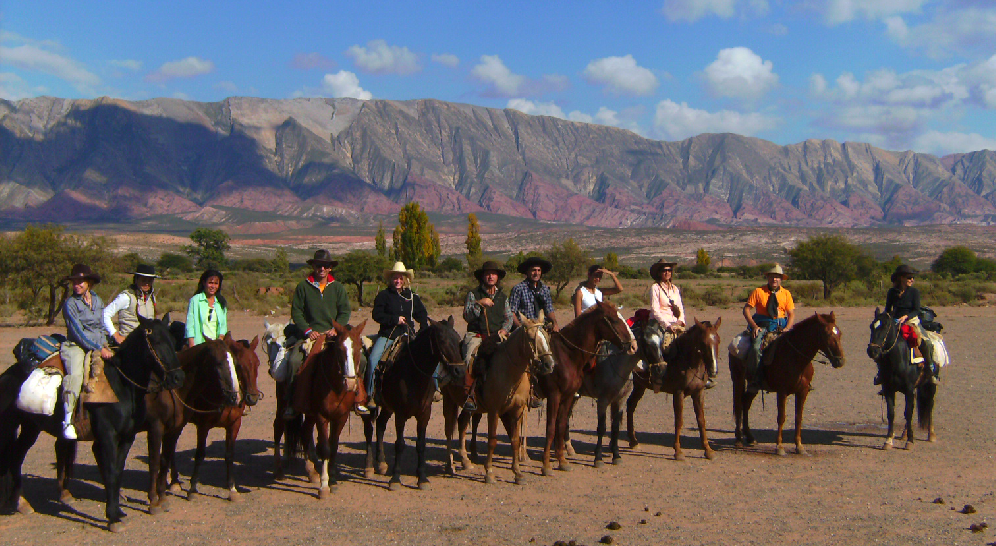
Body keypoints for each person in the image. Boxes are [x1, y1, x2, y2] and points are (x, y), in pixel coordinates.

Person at [282, 250, 363, 418]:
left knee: (360, 358)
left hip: (334, 334)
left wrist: (337, 328)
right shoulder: (303, 287)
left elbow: (344, 311)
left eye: (326, 266)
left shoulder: (338, 288)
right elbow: (297, 312)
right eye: (318, 265)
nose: (322, 269)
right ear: (313, 266)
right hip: (311, 334)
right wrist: (308, 330)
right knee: (294, 361)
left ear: (330, 268)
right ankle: (291, 402)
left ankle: (358, 398)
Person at [60, 264, 115, 440]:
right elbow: (77, 332)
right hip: (76, 345)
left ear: (89, 283)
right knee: (75, 376)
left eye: (80, 281)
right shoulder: (70, 304)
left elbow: (100, 326)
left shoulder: (98, 301)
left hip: (99, 343)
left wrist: (105, 345)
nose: (77, 284)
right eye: (74, 281)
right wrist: (97, 348)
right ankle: (67, 420)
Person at [366, 261, 429, 407]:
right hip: (388, 335)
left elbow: (422, 313)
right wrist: (394, 319)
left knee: (429, 356)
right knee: (372, 360)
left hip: (408, 335)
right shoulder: (383, 295)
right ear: (391, 279)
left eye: (401, 278)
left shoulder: (412, 297)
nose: (398, 281)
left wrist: (423, 327)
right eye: (395, 278)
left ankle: (435, 388)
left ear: (406, 279)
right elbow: (377, 315)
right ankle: (370, 394)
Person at [462, 260, 514, 411]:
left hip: (498, 335)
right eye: (487, 274)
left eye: (493, 274)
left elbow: (509, 318)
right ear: (482, 277)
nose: (490, 276)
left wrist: (504, 330)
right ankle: (469, 394)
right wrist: (480, 303)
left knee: (520, 352)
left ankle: (527, 391)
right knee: (470, 358)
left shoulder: (503, 297)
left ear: (497, 277)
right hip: (477, 335)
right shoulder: (473, 294)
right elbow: (467, 316)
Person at [647, 259, 705, 386]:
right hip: (659, 323)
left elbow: (681, 308)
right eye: (664, 270)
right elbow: (655, 310)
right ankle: (659, 373)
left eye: (669, 270)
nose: (667, 273)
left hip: (675, 323)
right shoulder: (655, 288)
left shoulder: (675, 289)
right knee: (656, 343)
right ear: (659, 273)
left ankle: (703, 375)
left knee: (694, 343)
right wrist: (667, 325)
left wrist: (680, 322)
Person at [880, 264, 939, 386]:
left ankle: (930, 369)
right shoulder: (892, 292)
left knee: (925, 341)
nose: (912, 280)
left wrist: (906, 317)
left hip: (911, 320)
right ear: (901, 278)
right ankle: (882, 373)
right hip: (895, 321)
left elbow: (916, 310)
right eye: (909, 277)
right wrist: (884, 318)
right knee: (881, 342)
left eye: (912, 277)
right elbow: (888, 309)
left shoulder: (914, 292)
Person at [742, 264, 795, 391]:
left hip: (781, 325)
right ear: (768, 278)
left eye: (777, 277)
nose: (774, 279)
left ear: (781, 279)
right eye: (772, 277)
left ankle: (799, 380)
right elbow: (747, 310)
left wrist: (788, 327)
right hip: (762, 326)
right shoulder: (758, 291)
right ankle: (755, 379)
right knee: (755, 348)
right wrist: (754, 326)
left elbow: (791, 313)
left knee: (796, 346)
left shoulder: (786, 294)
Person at [103, 264, 158, 345]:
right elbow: (105, 314)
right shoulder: (126, 297)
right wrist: (115, 335)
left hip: (147, 343)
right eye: (143, 280)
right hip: (129, 342)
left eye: (149, 281)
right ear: (136, 280)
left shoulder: (151, 298)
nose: (146, 284)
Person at [507, 256, 559, 331]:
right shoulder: (518, 289)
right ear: (527, 272)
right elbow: (512, 312)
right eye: (533, 270)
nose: (536, 273)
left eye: (539, 270)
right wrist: (520, 328)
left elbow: (549, 309)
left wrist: (555, 323)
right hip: (525, 329)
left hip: (542, 328)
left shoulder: (545, 289)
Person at [185, 269, 228, 348]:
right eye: (210, 283)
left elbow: (223, 326)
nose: (213, 286)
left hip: (216, 346)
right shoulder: (195, 300)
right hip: (200, 345)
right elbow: (190, 325)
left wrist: (220, 341)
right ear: (204, 283)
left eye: (216, 283)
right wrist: (192, 345)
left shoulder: (221, 302)